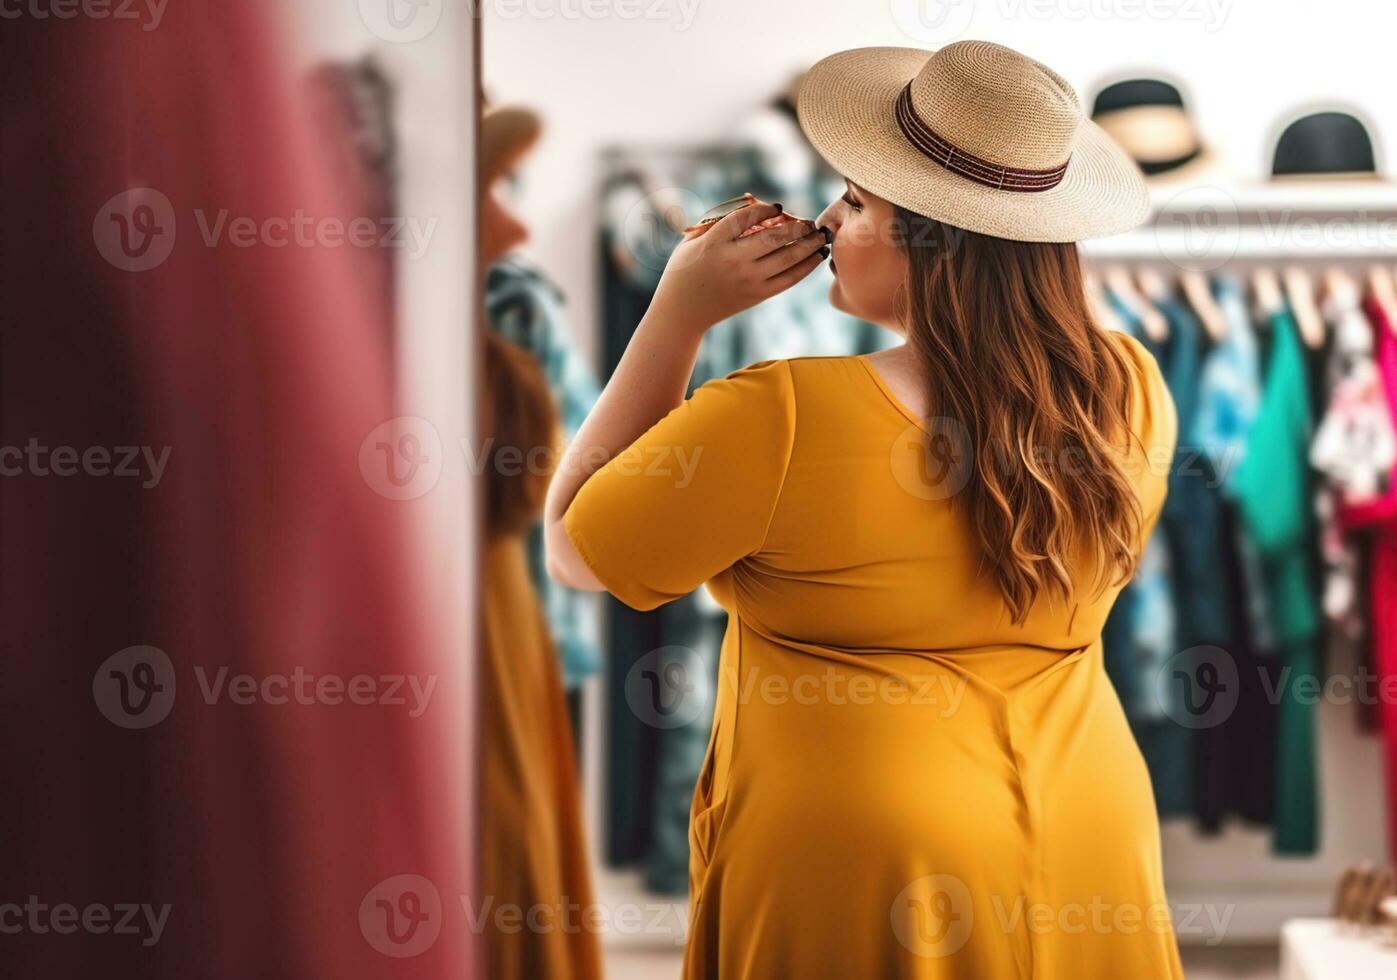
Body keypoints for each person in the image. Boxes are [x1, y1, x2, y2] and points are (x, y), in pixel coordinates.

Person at [545, 41, 1183, 978]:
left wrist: (674, 315)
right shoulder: (1131, 386)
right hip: (1088, 820)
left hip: (870, 861)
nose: (827, 221)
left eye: (853, 200)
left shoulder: (781, 414)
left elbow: (573, 548)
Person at [478, 104, 603, 980]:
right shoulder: (511, 301)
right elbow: (592, 485)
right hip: (510, 629)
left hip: (519, 628)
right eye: (489, 187)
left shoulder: (504, 300)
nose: (520, 222)